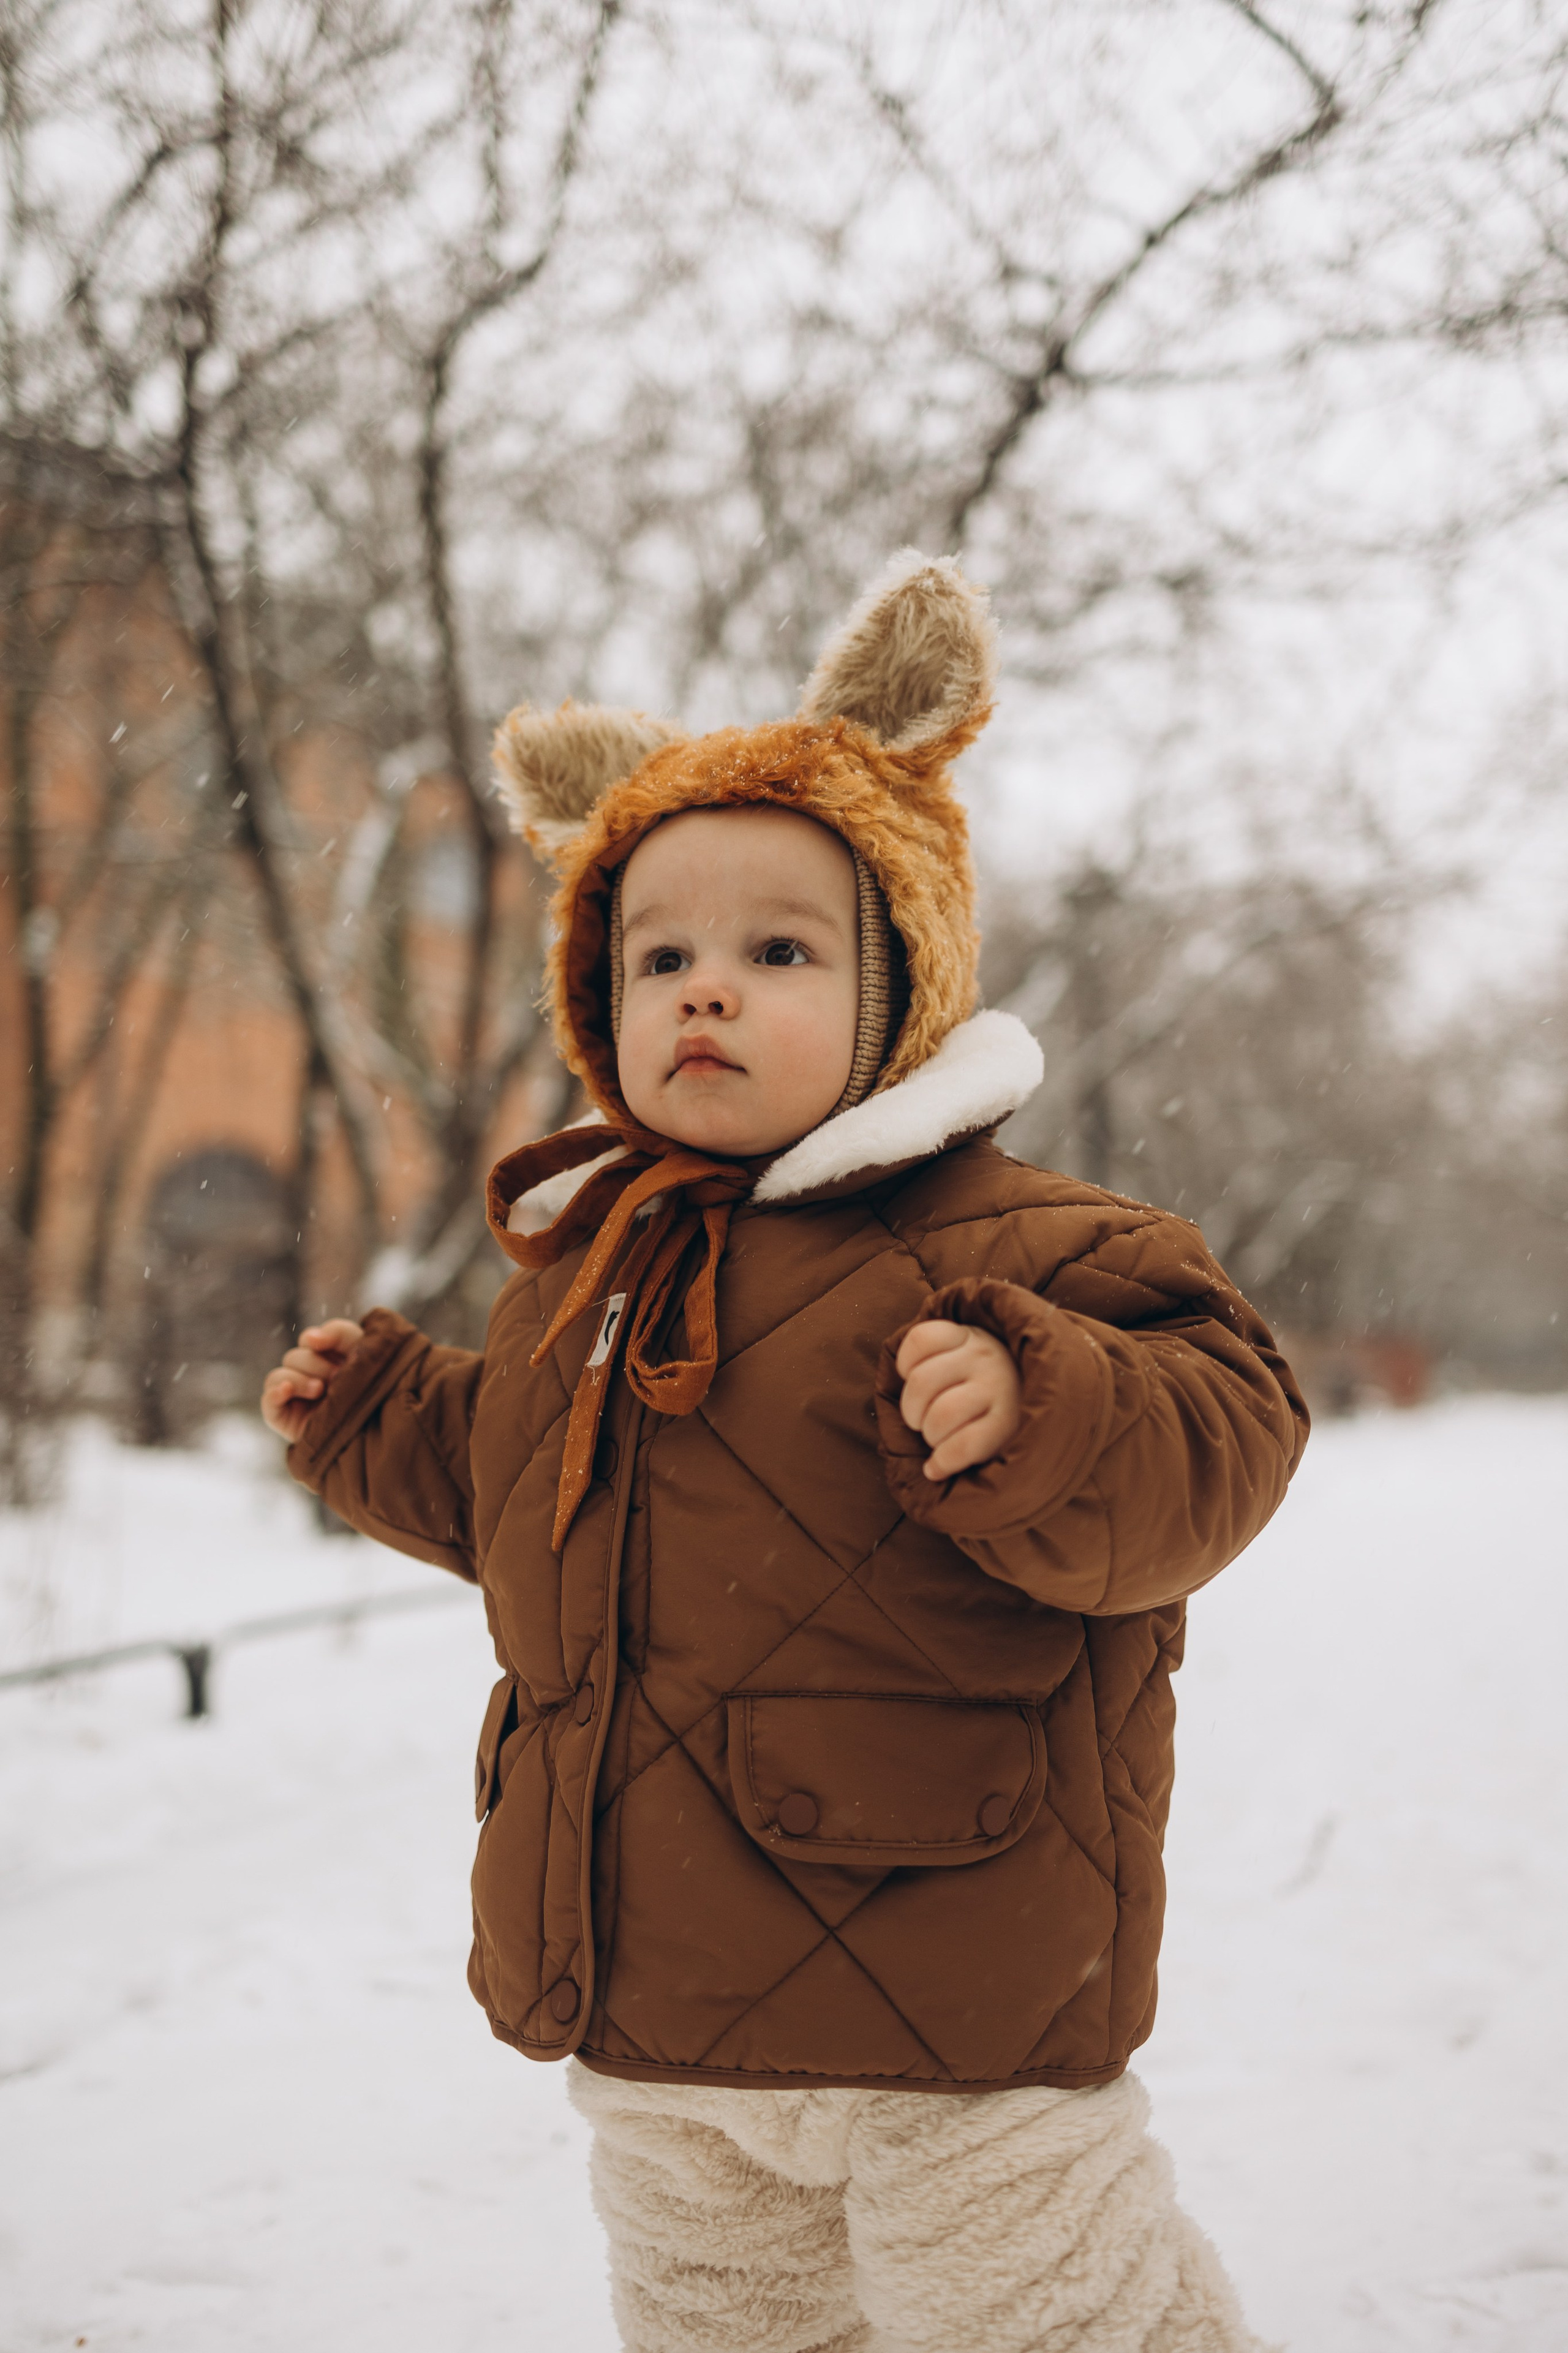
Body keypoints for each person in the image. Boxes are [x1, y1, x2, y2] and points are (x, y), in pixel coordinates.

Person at [262, 553, 1306, 2352]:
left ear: (901, 976)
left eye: (777, 951)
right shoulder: (590, 1274)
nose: (707, 995)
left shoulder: (1037, 1245)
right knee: (727, 2326)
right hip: (651, 2010)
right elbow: (521, 1495)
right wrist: (381, 1417)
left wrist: (1044, 1405)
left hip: (962, 2001)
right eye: (658, 955)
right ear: (599, 999)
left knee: (1055, 2321)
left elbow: (1222, 1433)